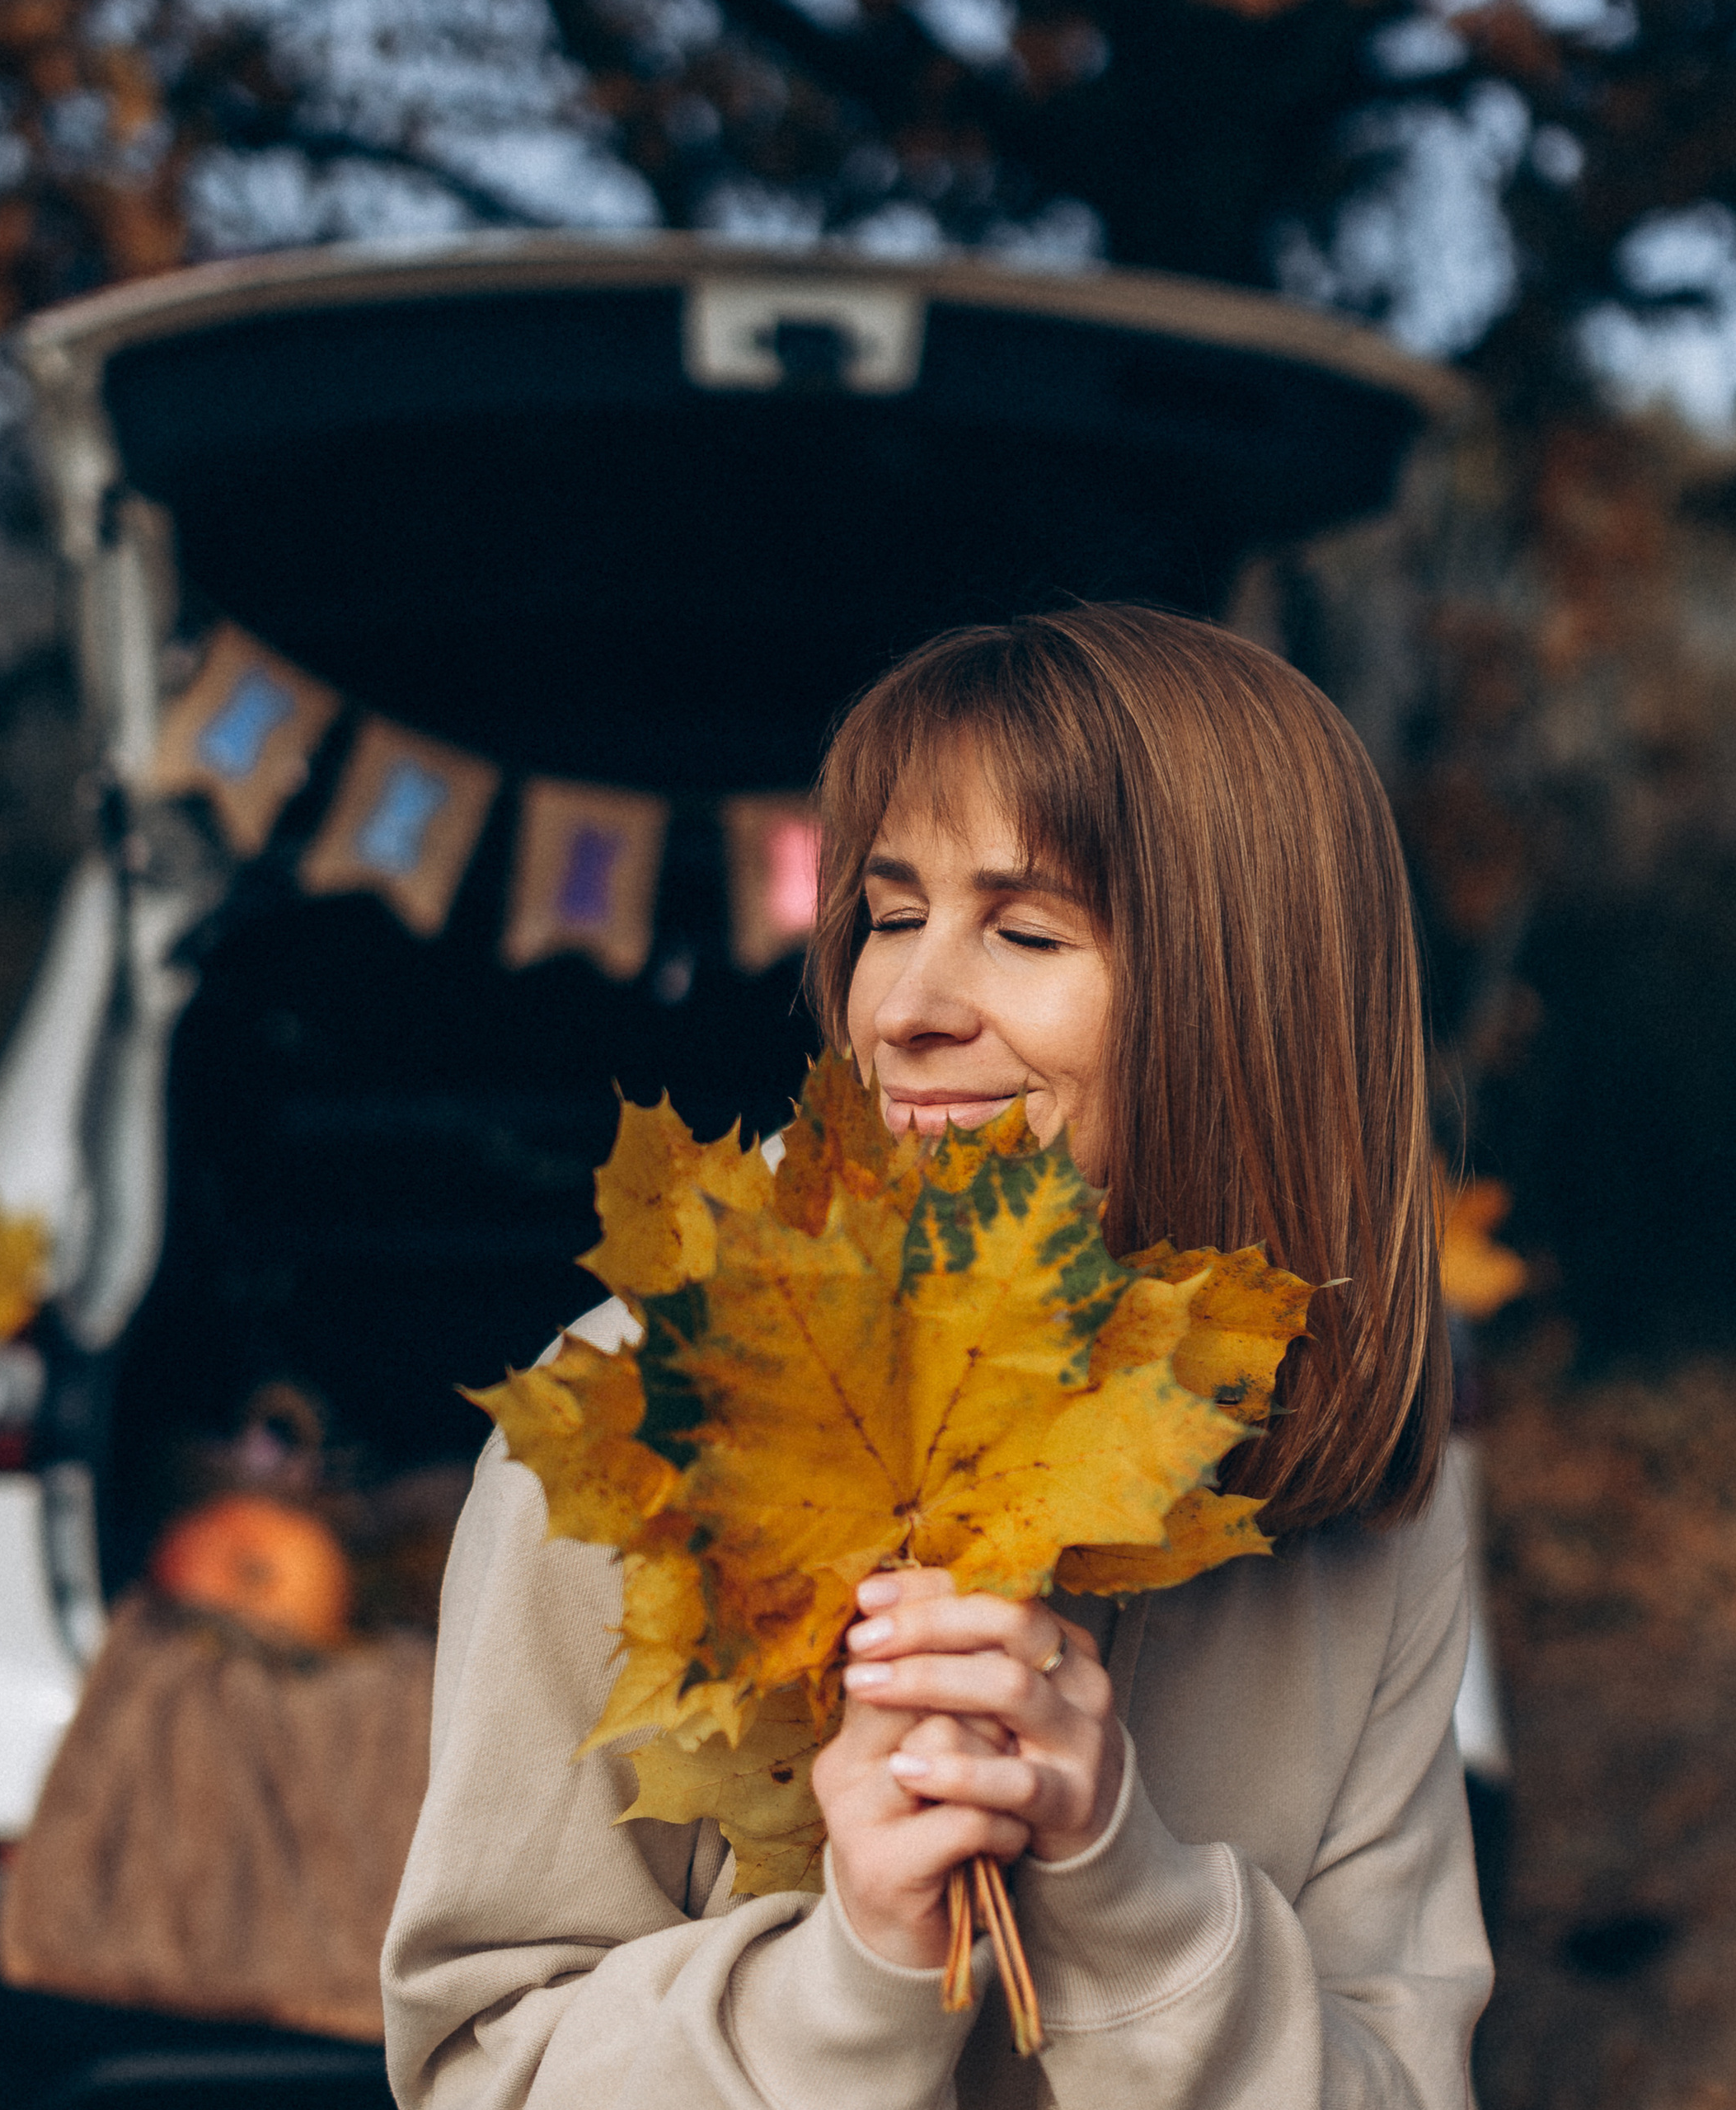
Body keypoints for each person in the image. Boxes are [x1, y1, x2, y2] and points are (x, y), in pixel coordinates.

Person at [382, 606, 1491, 2108]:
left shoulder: (1361, 1497)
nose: (904, 1009)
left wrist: (1127, 1890)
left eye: (1027, 931)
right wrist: (854, 1975)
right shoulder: (648, 1412)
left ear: (1252, 1003)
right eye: (890, 918)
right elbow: (480, 2071)